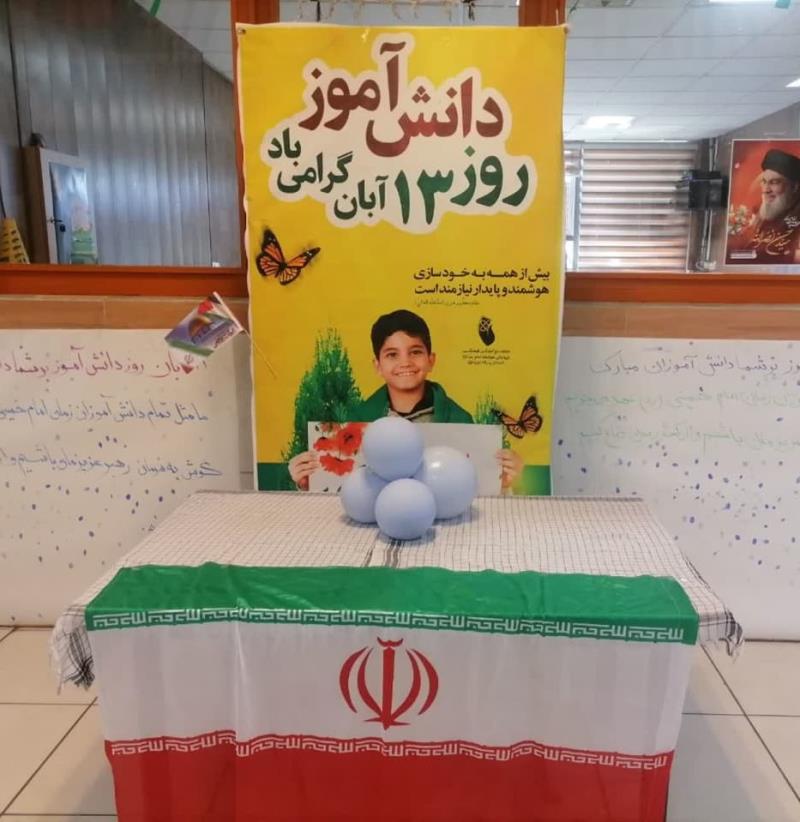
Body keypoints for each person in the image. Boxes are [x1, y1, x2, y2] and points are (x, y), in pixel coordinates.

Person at [289, 309, 523, 490]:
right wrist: (308, 481)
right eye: (392, 354)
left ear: (431, 360)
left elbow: (471, 488)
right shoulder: (357, 422)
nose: (405, 362)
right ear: (378, 366)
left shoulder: (458, 419)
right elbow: (347, 492)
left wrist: (501, 481)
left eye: (415, 352)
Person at [728, 148, 800, 265]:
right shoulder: (756, 216)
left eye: (774, 182)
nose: (766, 190)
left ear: (794, 187)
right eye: (764, 182)